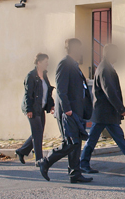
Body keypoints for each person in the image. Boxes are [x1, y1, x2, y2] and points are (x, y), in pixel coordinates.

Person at [80, 44, 125, 173]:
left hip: (105, 112)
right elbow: (110, 91)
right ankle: (83, 163)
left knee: (118, 137)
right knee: (93, 139)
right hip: (103, 112)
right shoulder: (105, 69)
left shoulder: (106, 67)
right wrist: (120, 108)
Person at [38, 39, 92, 183]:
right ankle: (46, 161)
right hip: (67, 112)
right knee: (70, 142)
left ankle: (75, 173)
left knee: (76, 143)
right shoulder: (64, 64)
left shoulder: (74, 65)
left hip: (76, 111)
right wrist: (67, 109)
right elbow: (61, 89)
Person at [16, 54, 55, 166]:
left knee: (38, 132)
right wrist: (29, 109)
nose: (47, 64)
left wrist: (51, 105)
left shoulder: (44, 75)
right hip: (32, 108)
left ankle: (22, 151)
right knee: (37, 133)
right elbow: (28, 94)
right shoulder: (31, 76)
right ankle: (39, 159)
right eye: (45, 62)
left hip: (41, 108)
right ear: (39, 62)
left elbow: (48, 91)